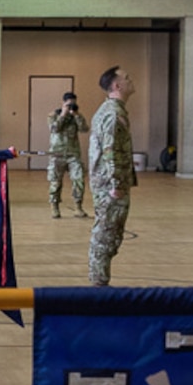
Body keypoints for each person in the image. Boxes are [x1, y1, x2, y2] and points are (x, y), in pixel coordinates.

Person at [88, 65, 136, 286]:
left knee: (110, 235)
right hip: (110, 185)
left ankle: (100, 282)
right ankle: (98, 285)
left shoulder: (112, 110)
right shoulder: (113, 113)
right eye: (126, 78)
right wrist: (116, 184)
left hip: (108, 183)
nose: (131, 80)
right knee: (106, 235)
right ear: (117, 85)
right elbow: (110, 150)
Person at [47, 90, 87, 218]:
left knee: (79, 179)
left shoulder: (76, 116)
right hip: (57, 154)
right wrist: (63, 115)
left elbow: (84, 129)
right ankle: (54, 207)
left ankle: (78, 207)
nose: (71, 106)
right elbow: (54, 129)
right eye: (69, 104)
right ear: (63, 103)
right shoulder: (53, 115)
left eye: (73, 104)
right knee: (55, 182)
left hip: (73, 154)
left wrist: (76, 115)